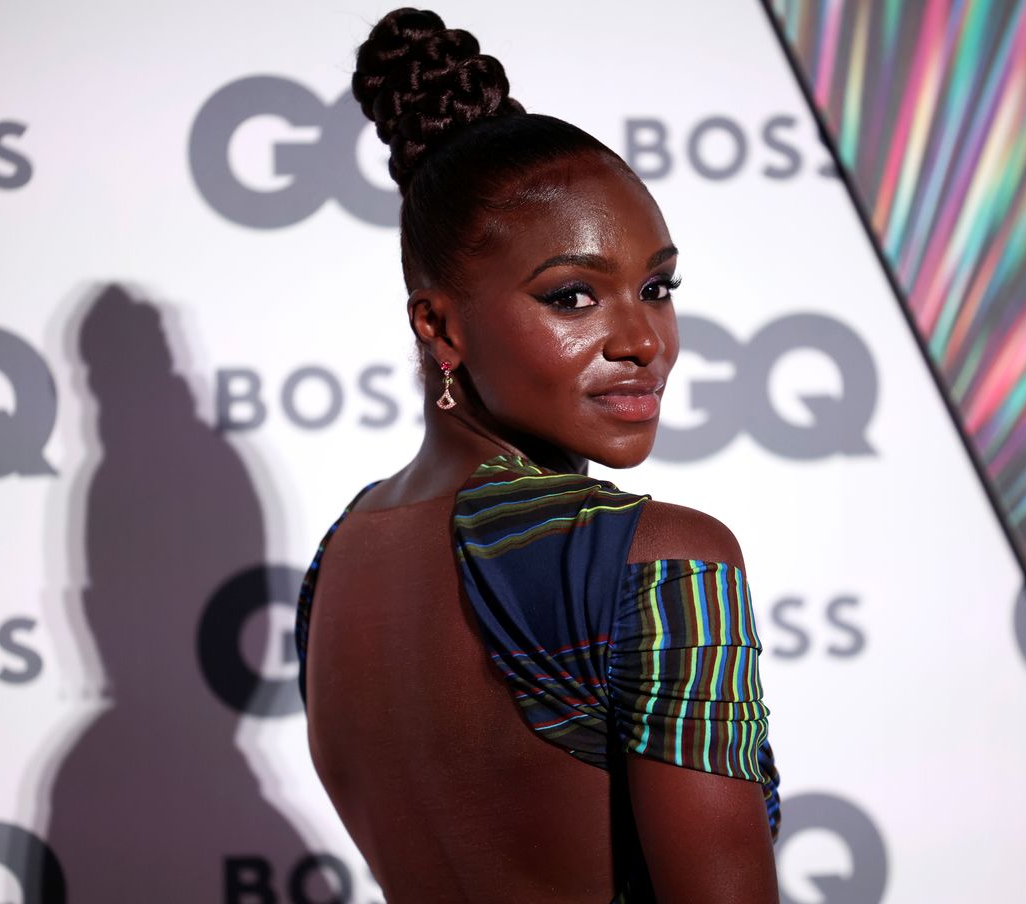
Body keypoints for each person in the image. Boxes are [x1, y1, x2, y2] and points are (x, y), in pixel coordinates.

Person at [295, 8, 781, 901]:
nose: (644, 340)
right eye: (571, 297)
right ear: (440, 325)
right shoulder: (662, 558)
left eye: (657, 287)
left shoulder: (340, 561)